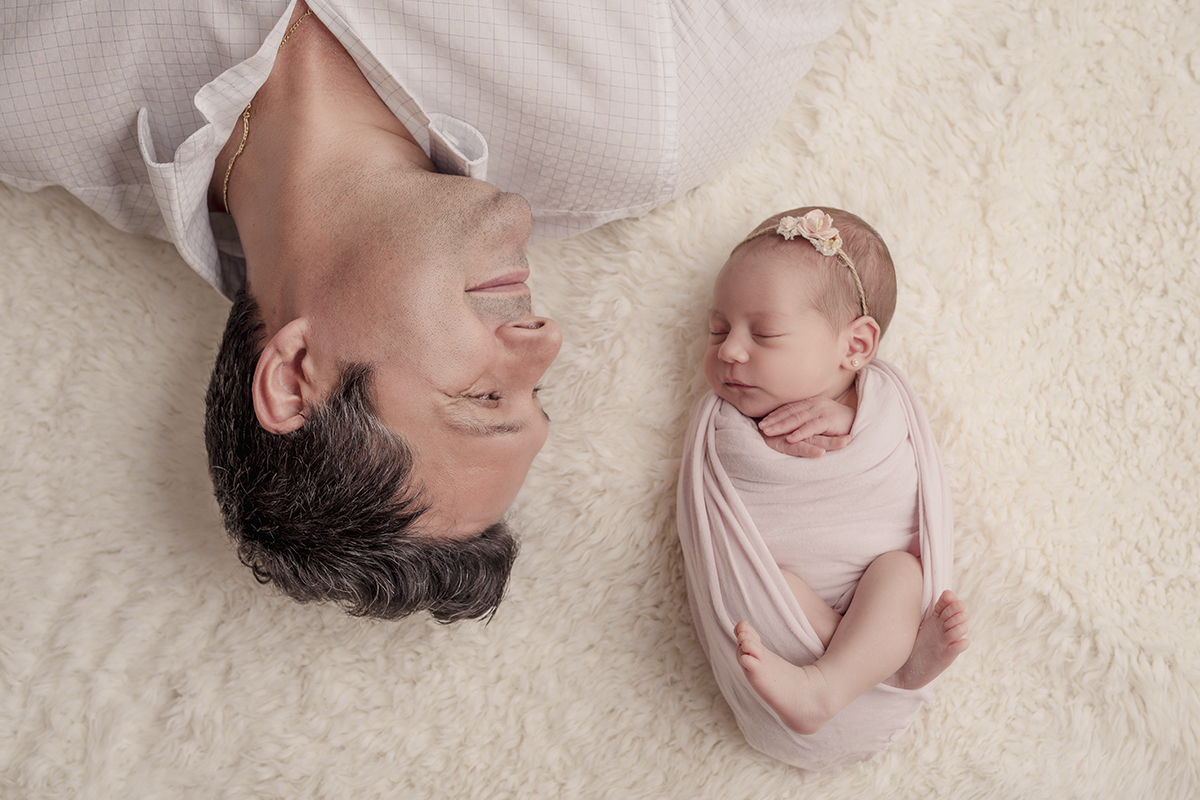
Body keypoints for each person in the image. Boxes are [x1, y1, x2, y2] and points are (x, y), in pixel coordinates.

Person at [1, 0, 851, 620]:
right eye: (535, 394)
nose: (543, 342)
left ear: (296, 375)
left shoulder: (27, 79)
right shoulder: (647, 112)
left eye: (484, 398)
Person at [676, 207, 968, 769]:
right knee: (761, 588)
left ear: (855, 347)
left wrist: (855, 415)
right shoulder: (723, 423)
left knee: (900, 573)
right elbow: (717, 498)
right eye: (718, 330)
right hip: (784, 606)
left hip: (872, 585)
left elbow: (897, 453)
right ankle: (886, 661)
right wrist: (757, 444)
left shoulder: (883, 404)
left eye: (764, 333)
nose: (730, 351)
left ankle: (829, 687)